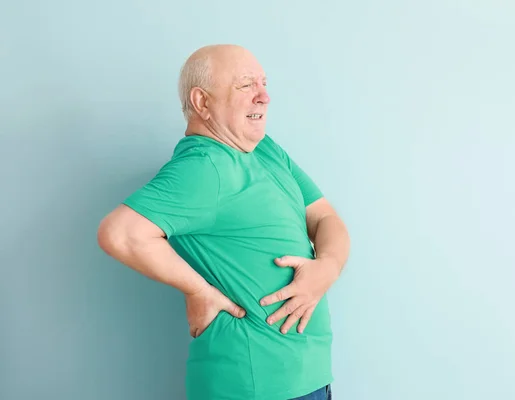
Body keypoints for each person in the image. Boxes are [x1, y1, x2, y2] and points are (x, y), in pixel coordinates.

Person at [97, 44, 350, 400]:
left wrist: (327, 267)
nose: (264, 96)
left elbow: (325, 217)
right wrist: (197, 289)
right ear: (202, 102)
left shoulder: (265, 150)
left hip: (306, 378)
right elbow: (119, 233)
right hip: (254, 386)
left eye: (263, 83)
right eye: (246, 85)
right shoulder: (205, 167)